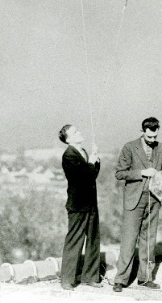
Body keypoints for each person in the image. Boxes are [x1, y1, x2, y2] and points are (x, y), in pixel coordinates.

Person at [112, 117, 162, 292]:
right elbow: (120, 173)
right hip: (134, 199)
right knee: (129, 240)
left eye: (155, 137)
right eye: (149, 137)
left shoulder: (161, 148)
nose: (152, 141)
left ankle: (145, 278)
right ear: (142, 132)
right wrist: (142, 172)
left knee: (149, 239)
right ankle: (120, 280)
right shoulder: (129, 147)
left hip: (154, 199)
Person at [58, 124, 102, 291]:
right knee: (74, 240)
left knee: (93, 239)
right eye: (75, 132)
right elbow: (81, 178)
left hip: (90, 204)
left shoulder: (82, 152)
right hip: (77, 205)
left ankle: (90, 277)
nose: (80, 132)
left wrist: (95, 160)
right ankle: (67, 279)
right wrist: (91, 163)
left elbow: (92, 176)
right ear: (68, 139)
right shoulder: (68, 155)